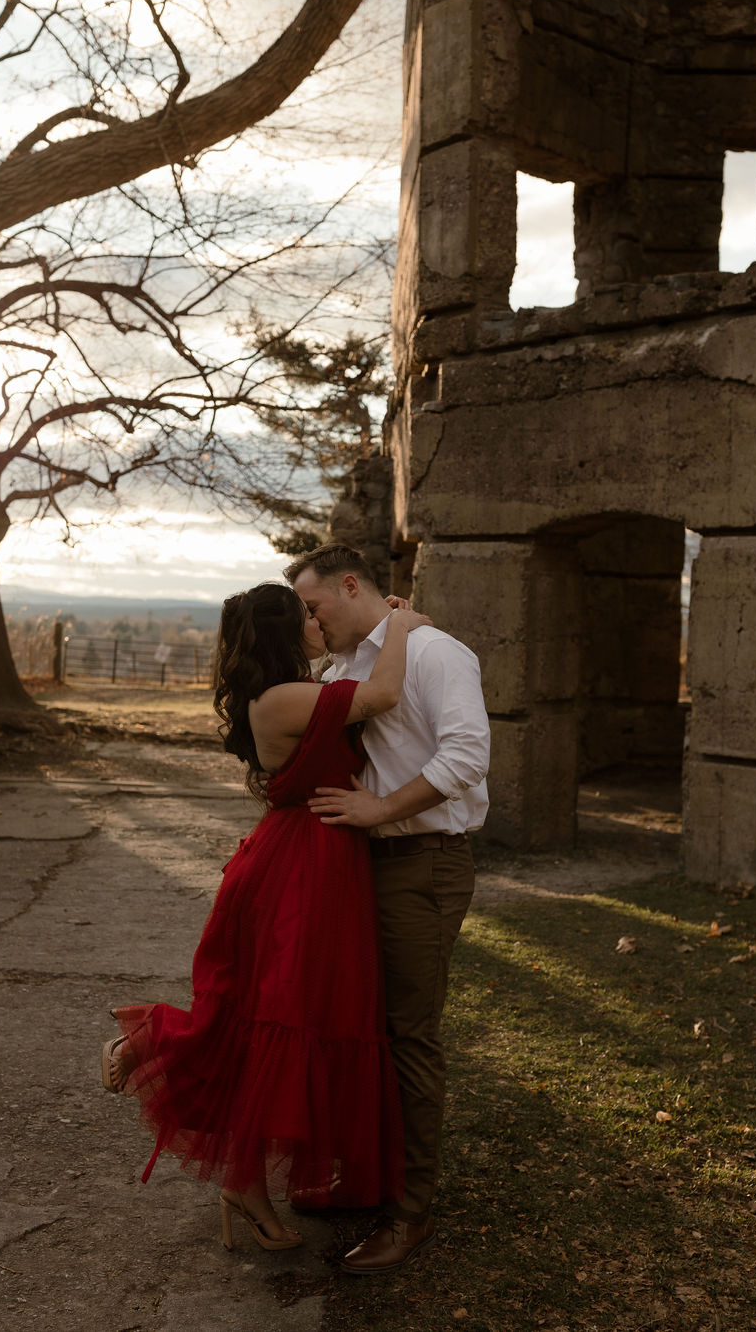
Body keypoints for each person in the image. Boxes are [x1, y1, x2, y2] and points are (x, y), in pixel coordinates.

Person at [99, 581, 432, 1253]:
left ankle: (244, 1182)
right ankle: (156, 1043)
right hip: (301, 870)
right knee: (282, 1023)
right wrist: (400, 625)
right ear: (284, 633)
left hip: (313, 859)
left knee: (282, 1022)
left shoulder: (292, 690)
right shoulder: (283, 698)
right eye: (305, 616)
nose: (317, 623)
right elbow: (385, 695)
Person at [286, 544, 489, 1275]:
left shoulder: (436, 652)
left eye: (315, 607)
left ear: (350, 585)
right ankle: (366, 1179)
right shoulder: (342, 668)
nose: (310, 622)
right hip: (356, 873)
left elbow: (466, 757)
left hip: (422, 866)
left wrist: (380, 810)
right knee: (356, 1029)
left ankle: (411, 1213)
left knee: (407, 1036)